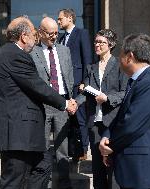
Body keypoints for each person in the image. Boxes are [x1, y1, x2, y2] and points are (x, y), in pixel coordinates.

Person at [0, 16, 77, 189]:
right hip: (18, 133)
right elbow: (37, 85)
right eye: (34, 34)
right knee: (14, 181)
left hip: (21, 133)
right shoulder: (16, 56)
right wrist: (65, 103)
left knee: (43, 165)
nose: (36, 38)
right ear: (24, 36)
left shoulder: (7, 53)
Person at [99, 34, 150, 189]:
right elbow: (121, 117)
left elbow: (132, 124)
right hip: (134, 170)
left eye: (121, 54)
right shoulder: (137, 82)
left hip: (144, 172)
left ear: (130, 56)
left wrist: (111, 145)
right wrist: (106, 136)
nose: (119, 58)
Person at [75, 29, 127, 189]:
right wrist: (75, 102)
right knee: (97, 169)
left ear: (110, 45)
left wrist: (108, 98)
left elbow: (125, 92)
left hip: (112, 122)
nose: (97, 45)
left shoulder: (120, 65)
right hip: (95, 124)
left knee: (112, 167)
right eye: (96, 42)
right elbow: (86, 94)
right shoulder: (91, 67)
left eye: (101, 42)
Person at [30, 17, 74, 189]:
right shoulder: (32, 52)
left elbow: (69, 77)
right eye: (50, 33)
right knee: (42, 147)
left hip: (62, 104)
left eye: (57, 33)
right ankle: (44, 183)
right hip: (43, 105)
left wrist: (70, 99)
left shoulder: (65, 51)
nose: (54, 36)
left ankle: (64, 184)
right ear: (40, 32)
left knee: (62, 149)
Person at [58, 8, 92, 160]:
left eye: (60, 19)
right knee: (69, 118)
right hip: (64, 84)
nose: (59, 21)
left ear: (70, 18)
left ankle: (84, 150)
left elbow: (87, 59)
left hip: (78, 83)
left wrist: (85, 81)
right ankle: (73, 150)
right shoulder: (60, 38)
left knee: (80, 117)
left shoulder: (81, 33)